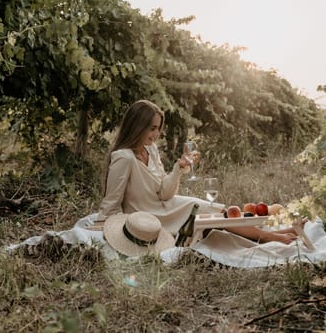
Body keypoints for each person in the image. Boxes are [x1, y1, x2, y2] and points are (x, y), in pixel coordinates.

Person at [99, 99, 302, 245]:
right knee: (206, 212)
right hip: (148, 216)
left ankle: (266, 235)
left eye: (158, 128)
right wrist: (114, 231)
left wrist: (178, 168)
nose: (156, 134)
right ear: (137, 127)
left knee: (212, 210)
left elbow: (164, 193)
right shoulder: (124, 157)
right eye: (152, 128)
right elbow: (111, 204)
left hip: (166, 205)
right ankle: (268, 237)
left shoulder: (150, 150)